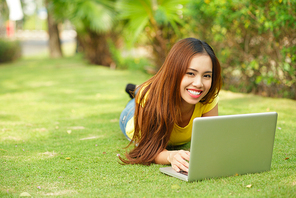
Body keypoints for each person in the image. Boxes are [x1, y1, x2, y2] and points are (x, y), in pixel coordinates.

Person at [119, 38, 222, 173]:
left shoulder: (208, 98)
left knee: (151, 89)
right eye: (190, 73)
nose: (199, 83)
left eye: (207, 75)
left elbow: (210, 143)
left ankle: (137, 88)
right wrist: (170, 156)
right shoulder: (150, 98)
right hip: (131, 115)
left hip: (163, 92)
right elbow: (147, 149)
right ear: (174, 71)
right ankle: (136, 90)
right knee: (144, 93)